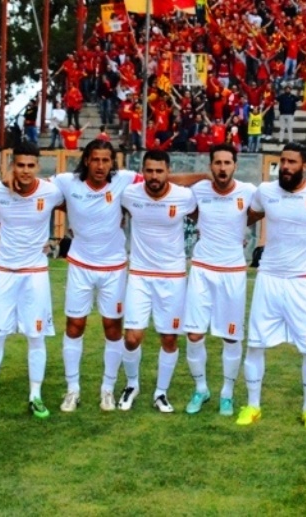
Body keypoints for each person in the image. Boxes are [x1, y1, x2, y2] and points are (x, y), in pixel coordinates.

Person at [239, 142, 306, 430]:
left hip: (302, 281)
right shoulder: (265, 191)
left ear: (304, 165)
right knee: (255, 345)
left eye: (292, 162)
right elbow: (249, 216)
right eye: (283, 161)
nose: (285, 166)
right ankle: (253, 406)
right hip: (268, 277)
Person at [0, 142, 65, 419]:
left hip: (35, 275)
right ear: (13, 166)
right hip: (5, 273)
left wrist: (62, 241)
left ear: (38, 166)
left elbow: (79, 207)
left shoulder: (50, 191)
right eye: (20, 165)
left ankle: (35, 396)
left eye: (30, 165)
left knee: (36, 337)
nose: (25, 170)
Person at [52, 140, 143, 413]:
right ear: (86, 160)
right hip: (80, 265)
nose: (101, 165)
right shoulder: (67, 182)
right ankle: (73, 389)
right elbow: (36, 186)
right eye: (96, 159)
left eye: (106, 160)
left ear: (112, 162)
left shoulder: (124, 180)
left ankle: (107, 389)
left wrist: (204, 177)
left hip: (114, 268)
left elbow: (160, 180)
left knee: (112, 327)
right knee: (74, 325)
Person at [119, 150, 198, 413]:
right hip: (139, 275)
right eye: (149, 171)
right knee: (132, 338)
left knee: (169, 338)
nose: (154, 176)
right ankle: (131, 385)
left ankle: (161, 393)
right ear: (143, 172)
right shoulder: (130, 194)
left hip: (172, 277)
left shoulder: (184, 196)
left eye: (159, 171)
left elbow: (205, 217)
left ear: (168, 171)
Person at [183, 144, 257, 415]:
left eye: (227, 163)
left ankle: (227, 393)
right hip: (202, 269)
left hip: (233, 272)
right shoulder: (198, 191)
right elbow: (170, 184)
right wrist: (198, 177)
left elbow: (272, 204)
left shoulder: (248, 192)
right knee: (194, 334)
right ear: (211, 166)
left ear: (235, 165)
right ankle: (201, 389)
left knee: (231, 336)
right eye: (217, 163)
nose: (222, 168)